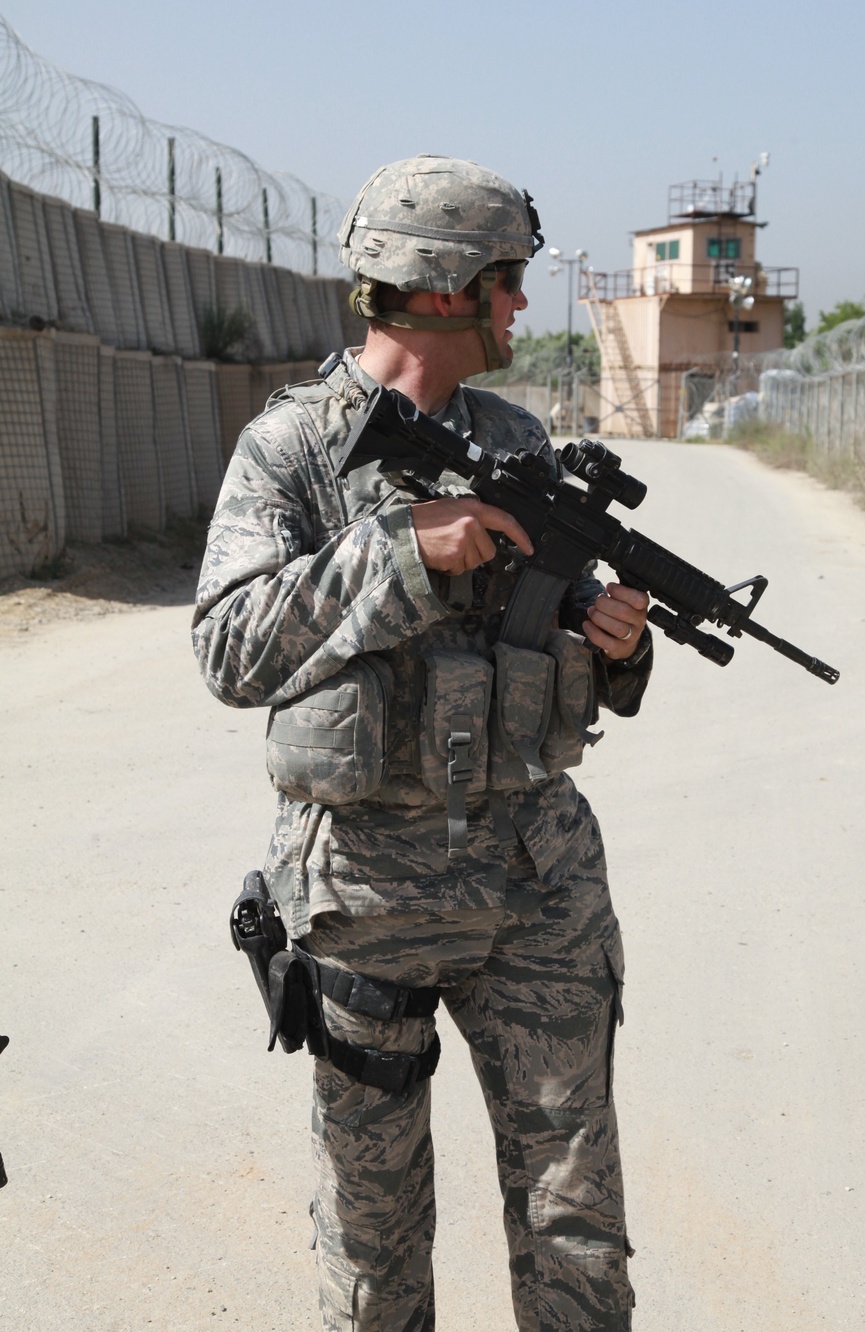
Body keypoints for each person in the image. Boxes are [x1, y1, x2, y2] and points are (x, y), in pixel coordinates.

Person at [193, 156, 653, 1331]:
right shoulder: (291, 449)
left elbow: (560, 643)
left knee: (577, 1227)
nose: (519, 306)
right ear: (445, 287)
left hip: (535, 886)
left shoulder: (514, 434)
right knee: (375, 1241)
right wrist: (404, 551)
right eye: (506, 281)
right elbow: (230, 649)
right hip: (365, 899)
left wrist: (613, 643)